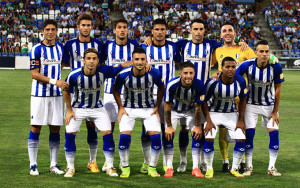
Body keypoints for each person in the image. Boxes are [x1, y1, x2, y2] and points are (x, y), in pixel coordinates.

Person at [211, 22, 279, 173]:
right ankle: (225, 161)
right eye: (224, 31)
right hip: (224, 96)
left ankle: (242, 161)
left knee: (240, 131)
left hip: (243, 98)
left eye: (230, 30)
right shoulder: (217, 50)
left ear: (235, 33)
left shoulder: (245, 48)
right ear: (221, 34)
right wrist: (215, 74)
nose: (227, 33)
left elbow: (261, 59)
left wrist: (274, 58)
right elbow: (210, 65)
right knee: (223, 132)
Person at [63, 48, 131, 177]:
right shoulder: (74, 74)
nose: (91, 61)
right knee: (70, 134)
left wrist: (134, 62)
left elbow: (120, 66)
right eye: (88, 58)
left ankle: (110, 166)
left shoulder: (103, 71)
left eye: (94, 59)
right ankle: (70, 167)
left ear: (98, 61)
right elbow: (66, 90)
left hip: (98, 108)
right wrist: (69, 110)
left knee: (107, 133)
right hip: (78, 108)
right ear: (84, 60)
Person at [112, 47, 164, 178]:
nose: (139, 62)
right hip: (129, 109)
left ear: (147, 60)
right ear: (132, 60)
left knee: (156, 137)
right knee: (124, 137)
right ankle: (125, 167)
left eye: (142, 59)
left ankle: (152, 167)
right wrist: (120, 108)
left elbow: (162, 88)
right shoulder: (123, 74)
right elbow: (115, 89)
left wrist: (157, 107)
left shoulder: (155, 73)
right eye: (136, 59)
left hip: (149, 109)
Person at [62, 13, 104, 173]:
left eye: (89, 25)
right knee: (70, 128)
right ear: (78, 27)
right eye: (83, 25)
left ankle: (92, 161)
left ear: (92, 27)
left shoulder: (99, 44)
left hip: (92, 91)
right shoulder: (69, 44)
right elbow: (64, 63)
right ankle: (69, 164)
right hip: (73, 93)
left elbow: (103, 64)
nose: (86, 28)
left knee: (91, 126)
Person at [236, 40, 284, 177]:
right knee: (249, 135)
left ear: (269, 53)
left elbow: (278, 89)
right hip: (251, 105)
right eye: (261, 51)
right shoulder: (247, 65)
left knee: (274, 133)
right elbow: (235, 77)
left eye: (267, 52)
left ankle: (271, 168)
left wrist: (275, 111)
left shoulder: (275, 66)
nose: (264, 54)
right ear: (255, 52)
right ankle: (248, 167)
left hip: (269, 106)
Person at [28, 19, 68, 176]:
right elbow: (34, 74)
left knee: (55, 128)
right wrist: (55, 81)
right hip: (39, 95)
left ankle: (53, 164)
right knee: (36, 127)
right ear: (43, 31)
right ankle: (33, 165)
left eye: (53, 29)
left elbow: (61, 65)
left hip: (56, 96)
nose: (50, 32)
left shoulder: (60, 48)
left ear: (57, 31)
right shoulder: (36, 49)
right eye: (47, 29)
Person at [141, 18, 180, 173]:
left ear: (166, 31)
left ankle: (166, 163)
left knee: (166, 129)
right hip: (148, 94)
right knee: (146, 131)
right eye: (156, 29)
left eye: (162, 29)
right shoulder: (145, 47)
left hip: (167, 95)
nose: (159, 32)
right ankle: (147, 162)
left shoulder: (173, 47)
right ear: (152, 31)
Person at [101, 18, 140, 172]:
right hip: (110, 92)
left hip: (129, 94)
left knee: (125, 130)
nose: (122, 30)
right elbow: (102, 67)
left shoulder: (135, 45)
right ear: (114, 31)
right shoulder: (107, 46)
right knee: (108, 127)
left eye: (125, 27)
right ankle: (107, 161)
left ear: (128, 30)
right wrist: (120, 65)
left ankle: (124, 161)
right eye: (119, 27)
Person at [202, 56, 248, 178]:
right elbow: (204, 102)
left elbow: (243, 100)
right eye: (227, 67)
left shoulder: (240, 81)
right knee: (209, 136)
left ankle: (234, 168)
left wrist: (241, 120)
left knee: (241, 138)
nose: (230, 69)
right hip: (214, 112)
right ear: (222, 68)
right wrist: (208, 120)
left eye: (233, 67)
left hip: (231, 113)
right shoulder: (212, 82)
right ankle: (209, 168)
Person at [163, 62, 206, 177]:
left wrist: (197, 126)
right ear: (180, 74)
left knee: (197, 133)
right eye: (185, 73)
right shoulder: (172, 84)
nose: (188, 76)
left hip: (190, 110)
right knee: (168, 135)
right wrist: (169, 126)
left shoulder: (199, 85)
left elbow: (198, 107)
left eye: (191, 73)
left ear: (194, 74)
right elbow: (167, 105)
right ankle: (169, 167)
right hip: (174, 110)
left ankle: (196, 168)